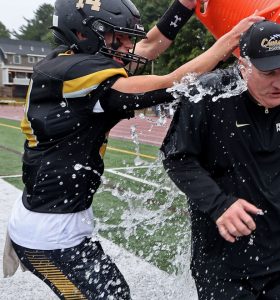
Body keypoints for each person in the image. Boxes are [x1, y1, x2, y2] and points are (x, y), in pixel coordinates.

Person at [3, 0, 263, 298]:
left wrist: (183, 7)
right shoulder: (80, 73)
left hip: (60, 220)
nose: (128, 46)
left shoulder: (68, 62)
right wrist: (231, 39)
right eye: (119, 37)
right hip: (48, 234)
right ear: (84, 33)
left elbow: (150, 45)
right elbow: (171, 82)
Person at [162, 20, 280, 299]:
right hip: (224, 255)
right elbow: (177, 157)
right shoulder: (209, 94)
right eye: (268, 72)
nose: (279, 83)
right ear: (243, 66)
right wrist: (218, 204)